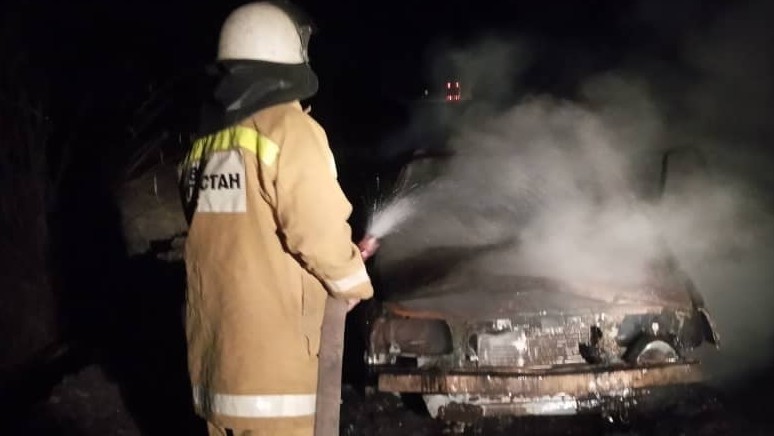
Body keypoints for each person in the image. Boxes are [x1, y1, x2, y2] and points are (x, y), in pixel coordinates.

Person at [177, 2, 374, 435]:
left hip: (216, 370)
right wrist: (351, 281)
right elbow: (315, 228)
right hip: (275, 375)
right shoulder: (287, 129)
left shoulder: (206, 142)